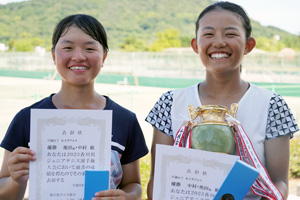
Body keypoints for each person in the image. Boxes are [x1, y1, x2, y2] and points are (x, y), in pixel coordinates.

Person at [145, 1, 299, 200]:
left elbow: (280, 182)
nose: (218, 42)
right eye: (208, 34)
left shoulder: (272, 105)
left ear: (248, 45)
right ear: (195, 45)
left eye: (230, 34)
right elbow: (158, 182)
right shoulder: (170, 102)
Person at [0, 14, 148, 200]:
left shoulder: (125, 119)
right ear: (53, 55)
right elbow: (4, 193)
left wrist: (128, 197)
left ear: (104, 56)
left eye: (89, 48)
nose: (79, 56)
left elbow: (133, 184)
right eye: (68, 48)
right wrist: (15, 180)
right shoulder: (28, 118)